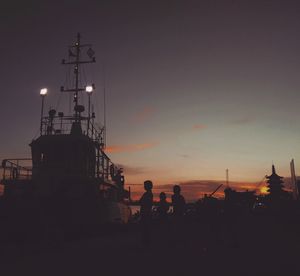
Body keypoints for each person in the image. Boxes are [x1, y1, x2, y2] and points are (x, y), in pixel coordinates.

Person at [139, 180, 153, 245]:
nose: (144, 186)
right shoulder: (150, 194)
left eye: (145, 185)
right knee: (146, 229)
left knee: (145, 229)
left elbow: (141, 202)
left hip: (145, 213)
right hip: (147, 213)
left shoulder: (147, 194)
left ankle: (145, 242)